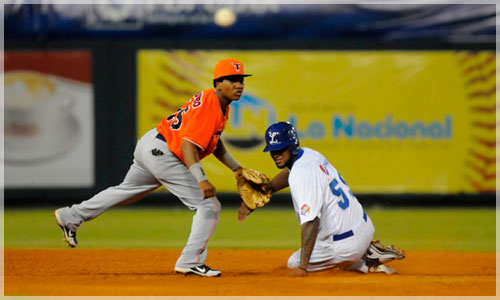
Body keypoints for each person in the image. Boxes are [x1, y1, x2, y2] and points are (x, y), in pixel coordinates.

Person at [55, 58, 252, 277]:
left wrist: (236, 168)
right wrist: (201, 178)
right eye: (232, 80)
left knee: (126, 191)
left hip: (153, 144)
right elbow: (188, 145)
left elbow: (213, 142)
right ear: (218, 83)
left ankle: (71, 215)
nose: (239, 85)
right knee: (209, 205)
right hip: (164, 153)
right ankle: (190, 261)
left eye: (241, 80)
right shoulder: (211, 106)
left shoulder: (217, 104)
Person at [239, 121, 404, 276]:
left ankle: (367, 262)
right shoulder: (309, 155)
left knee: (293, 262)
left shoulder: (301, 175)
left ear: (292, 145)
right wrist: (268, 189)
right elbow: (290, 172)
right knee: (323, 235)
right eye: (272, 150)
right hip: (364, 227)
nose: (275, 154)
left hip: (346, 246)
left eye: (281, 149)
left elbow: (311, 221)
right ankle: (367, 250)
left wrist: (303, 267)